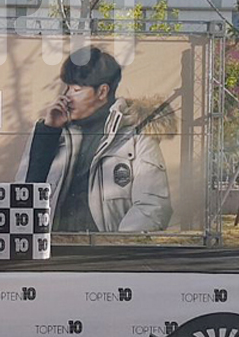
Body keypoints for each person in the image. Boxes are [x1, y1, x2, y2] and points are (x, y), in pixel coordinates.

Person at [16, 46, 174, 232]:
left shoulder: (137, 137)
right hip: (53, 247)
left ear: (102, 92)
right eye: (67, 88)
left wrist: (115, 245)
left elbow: (152, 207)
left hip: (109, 249)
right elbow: (22, 197)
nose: (66, 97)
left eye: (76, 89)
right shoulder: (52, 133)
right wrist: (48, 134)